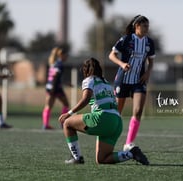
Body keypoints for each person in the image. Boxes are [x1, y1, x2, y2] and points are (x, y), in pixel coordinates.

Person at [58, 57, 149, 165]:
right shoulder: (106, 82)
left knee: (67, 123)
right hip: (117, 122)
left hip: (103, 118)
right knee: (102, 159)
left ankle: (76, 157)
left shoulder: (89, 80)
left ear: (86, 70)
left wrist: (69, 113)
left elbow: (85, 99)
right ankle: (131, 153)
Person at [108, 15, 156, 151]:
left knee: (138, 110)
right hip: (123, 80)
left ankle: (128, 143)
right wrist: (122, 64)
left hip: (139, 80)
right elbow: (111, 55)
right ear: (137, 26)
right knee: (117, 112)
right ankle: (110, 139)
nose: (147, 28)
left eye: (148, 26)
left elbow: (151, 62)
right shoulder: (126, 39)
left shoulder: (149, 43)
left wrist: (147, 73)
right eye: (144, 26)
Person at [42, 46, 70, 130]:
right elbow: (55, 76)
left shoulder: (53, 63)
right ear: (61, 55)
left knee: (48, 106)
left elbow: (54, 76)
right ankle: (62, 123)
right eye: (66, 55)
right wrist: (53, 89)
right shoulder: (59, 64)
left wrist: (66, 83)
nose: (67, 57)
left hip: (49, 86)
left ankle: (45, 124)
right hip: (55, 88)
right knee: (66, 104)